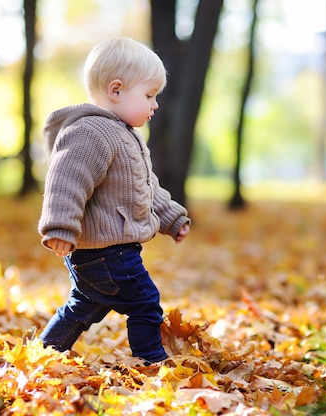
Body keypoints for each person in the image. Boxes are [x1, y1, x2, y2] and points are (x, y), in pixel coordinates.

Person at [37, 37, 191, 364]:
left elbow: (145, 187)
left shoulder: (125, 134)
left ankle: (44, 353)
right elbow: (66, 179)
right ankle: (151, 361)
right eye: (149, 95)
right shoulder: (92, 132)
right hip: (110, 253)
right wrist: (60, 226)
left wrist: (172, 218)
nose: (155, 105)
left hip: (102, 253)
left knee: (83, 306)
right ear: (116, 90)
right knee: (146, 303)